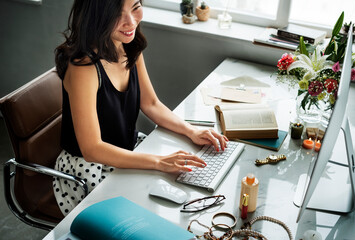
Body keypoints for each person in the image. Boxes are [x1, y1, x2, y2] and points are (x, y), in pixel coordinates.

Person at [53, 0, 228, 216]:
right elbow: (92, 149)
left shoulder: (128, 47)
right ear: (96, 16)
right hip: (88, 168)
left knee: (182, 188)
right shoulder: (84, 67)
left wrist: (191, 130)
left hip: (127, 150)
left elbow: (151, 103)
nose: (130, 21)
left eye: (135, 7)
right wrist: (158, 162)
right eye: (118, 13)